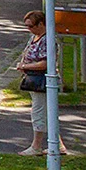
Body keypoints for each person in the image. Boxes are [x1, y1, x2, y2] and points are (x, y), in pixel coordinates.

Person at [16, 10, 68, 156]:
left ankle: (36, 146)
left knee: (39, 112)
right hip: (35, 80)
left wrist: (25, 66)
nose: (29, 29)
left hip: (43, 80)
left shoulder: (47, 39)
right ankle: (58, 144)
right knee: (48, 113)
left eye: (31, 26)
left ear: (41, 24)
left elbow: (45, 63)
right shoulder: (34, 36)